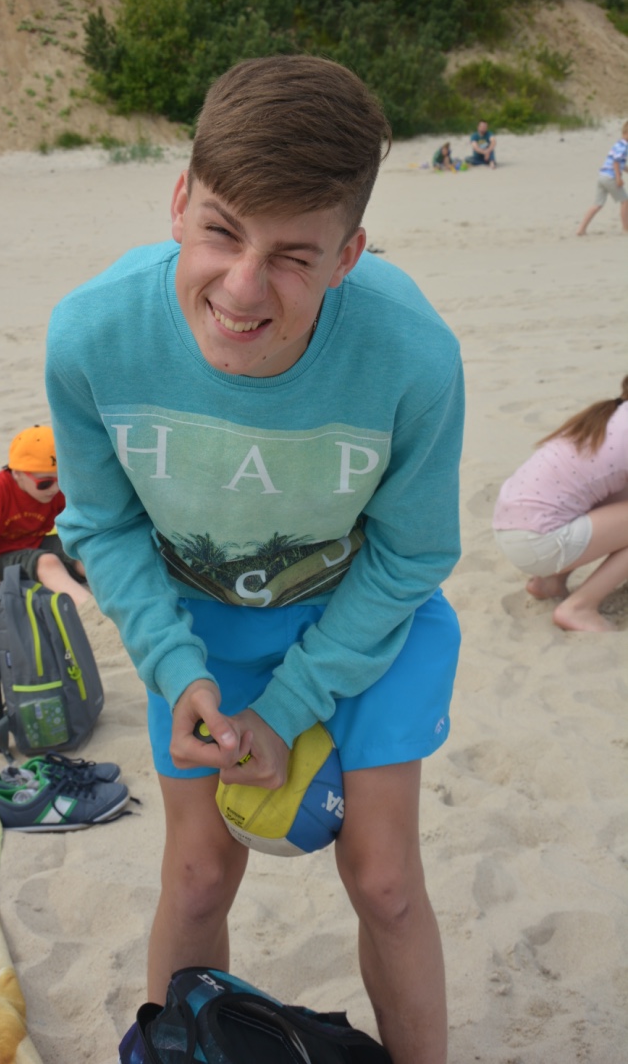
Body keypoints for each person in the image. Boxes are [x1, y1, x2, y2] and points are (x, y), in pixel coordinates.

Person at [46, 55, 464, 1064]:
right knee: (197, 877)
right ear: (179, 200)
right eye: (222, 231)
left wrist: (291, 706)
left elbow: (413, 555)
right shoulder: (91, 336)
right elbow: (102, 528)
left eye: (292, 256)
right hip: (196, 625)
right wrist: (175, 667)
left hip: (364, 614)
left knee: (384, 882)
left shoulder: (413, 357)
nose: (241, 287)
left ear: (348, 254)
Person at [493, 376, 628, 633]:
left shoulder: (610, 416)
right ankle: (579, 608)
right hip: (537, 540)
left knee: (606, 495)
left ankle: (549, 583)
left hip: (511, 530)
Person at [0, 424, 90, 606]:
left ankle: (119, 593)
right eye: (44, 483)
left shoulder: (55, 489)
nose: (54, 489)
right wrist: (2, 602)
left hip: (33, 544)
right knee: (47, 562)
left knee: (84, 549)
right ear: (17, 474)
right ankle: (90, 610)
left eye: (61, 479)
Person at [576, 121, 628, 236]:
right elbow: (616, 162)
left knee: (597, 204)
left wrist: (626, 170)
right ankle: (626, 228)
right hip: (611, 177)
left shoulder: (618, 144)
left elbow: (619, 162)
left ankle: (581, 229)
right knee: (625, 201)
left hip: (602, 176)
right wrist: (618, 178)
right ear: (626, 133)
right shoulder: (624, 146)